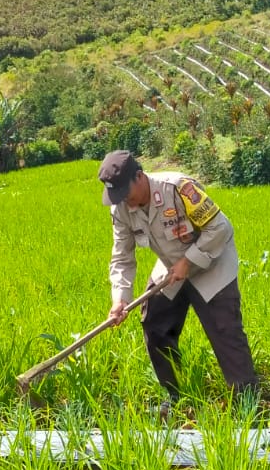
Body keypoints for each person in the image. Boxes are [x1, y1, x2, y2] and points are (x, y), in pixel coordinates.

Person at [100, 150, 258, 413]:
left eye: (125, 194)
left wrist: (188, 262)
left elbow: (220, 228)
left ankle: (246, 401)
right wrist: (120, 299)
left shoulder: (179, 188)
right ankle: (174, 395)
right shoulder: (120, 209)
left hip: (212, 263)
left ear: (139, 176)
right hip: (170, 265)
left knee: (225, 329)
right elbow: (121, 258)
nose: (124, 202)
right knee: (155, 322)